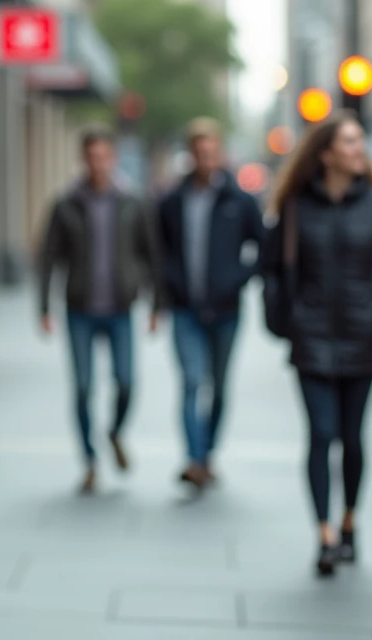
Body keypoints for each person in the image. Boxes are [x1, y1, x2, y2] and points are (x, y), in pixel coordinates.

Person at [259, 110, 372, 577]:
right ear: (326, 154)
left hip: (363, 339)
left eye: (360, 141)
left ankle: (349, 522)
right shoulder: (296, 206)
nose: (359, 149)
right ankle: (323, 532)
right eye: (349, 142)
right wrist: (290, 318)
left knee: (352, 439)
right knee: (321, 435)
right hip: (312, 339)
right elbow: (271, 269)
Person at [39, 129, 161, 494]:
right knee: (82, 387)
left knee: (126, 382)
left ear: (114, 158)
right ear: (84, 159)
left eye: (104, 156)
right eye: (92, 156)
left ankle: (115, 432)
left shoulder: (133, 201)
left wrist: (157, 304)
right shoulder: (66, 203)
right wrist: (44, 307)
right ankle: (90, 461)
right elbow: (48, 258)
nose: (98, 163)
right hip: (79, 309)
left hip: (121, 309)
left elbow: (151, 254)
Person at [156, 118, 265, 488]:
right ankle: (195, 458)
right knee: (190, 382)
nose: (205, 158)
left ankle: (208, 452)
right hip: (185, 309)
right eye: (198, 151)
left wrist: (238, 277)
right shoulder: (171, 201)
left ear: (220, 154)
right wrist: (167, 288)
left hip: (226, 312)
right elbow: (160, 250)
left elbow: (264, 248)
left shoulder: (240, 201)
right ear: (190, 155)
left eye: (211, 151)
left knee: (218, 387)